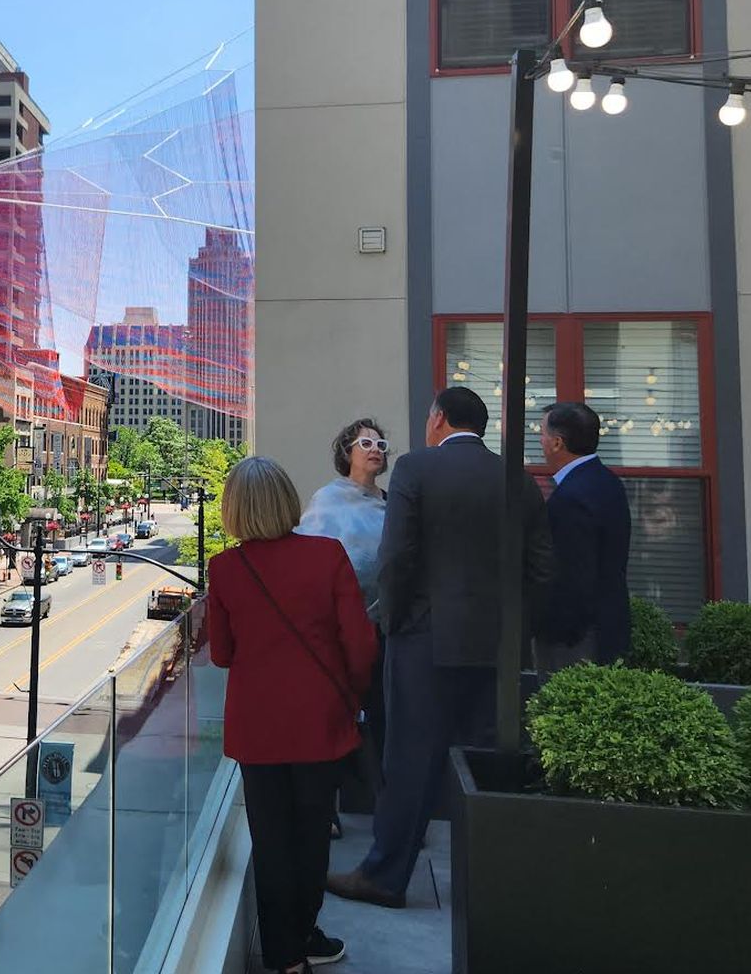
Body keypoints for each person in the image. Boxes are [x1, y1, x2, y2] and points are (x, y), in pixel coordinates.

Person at [328, 386, 550, 908]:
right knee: (487, 761)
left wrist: (398, 622)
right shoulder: (518, 479)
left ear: (439, 419)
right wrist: (514, 634)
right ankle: (497, 884)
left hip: (424, 641)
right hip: (497, 649)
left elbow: (396, 558)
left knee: (410, 760)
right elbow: (541, 569)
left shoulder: (417, 470)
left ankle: (385, 876)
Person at [208, 456, 377, 973]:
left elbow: (221, 654)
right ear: (286, 502)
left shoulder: (226, 569)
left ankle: (284, 954)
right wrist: (349, 693)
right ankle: (305, 932)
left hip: (258, 727)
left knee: (271, 837)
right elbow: (361, 645)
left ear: (234, 509)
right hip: (320, 721)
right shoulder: (327, 556)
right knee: (310, 834)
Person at [296, 418, 391, 827]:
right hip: (333, 631)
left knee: (380, 719)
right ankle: (326, 809)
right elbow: (310, 559)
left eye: (380, 444)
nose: (375, 449)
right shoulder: (326, 500)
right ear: (347, 452)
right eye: (365, 442)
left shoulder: (392, 503)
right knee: (330, 718)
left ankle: (387, 813)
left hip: (380, 628)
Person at [533, 402, 632, 670]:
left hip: (575, 639)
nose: (539, 440)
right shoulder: (607, 482)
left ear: (557, 443)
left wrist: (555, 630)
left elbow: (571, 574)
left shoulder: (571, 498)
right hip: (607, 624)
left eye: (541, 433)